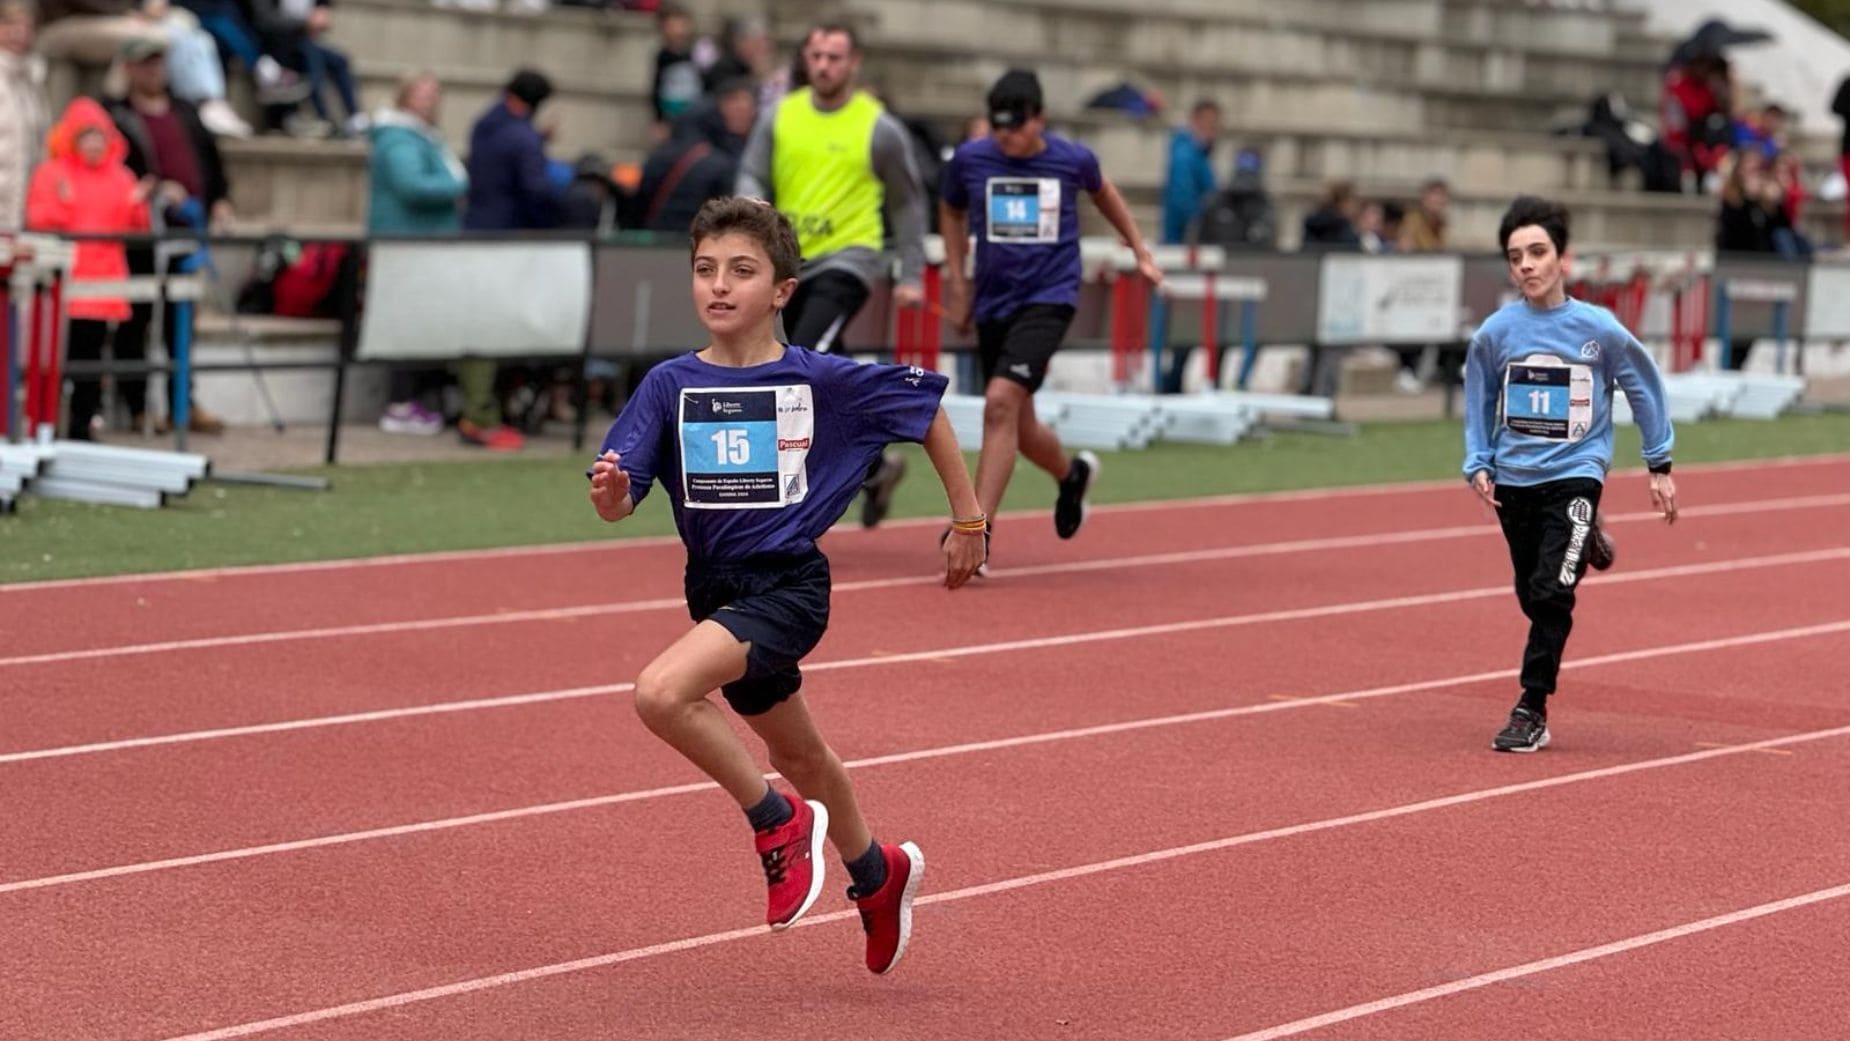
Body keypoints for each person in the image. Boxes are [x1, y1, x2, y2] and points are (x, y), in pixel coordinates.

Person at [588, 197, 985, 974]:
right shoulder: (668, 384)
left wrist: (967, 520)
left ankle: (775, 821)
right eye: (705, 269)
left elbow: (926, 408)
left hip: (788, 588)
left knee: (661, 693)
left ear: (782, 290)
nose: (719, 285)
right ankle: (878, 873)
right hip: (715, 591)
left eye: (742, 270)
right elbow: (621, 490)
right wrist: (611, 494)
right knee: (803, 752)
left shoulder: (820, 379)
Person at [1463, 196, 1678, 754]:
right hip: (1514, 480)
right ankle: (1584, 546)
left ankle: (1530, 707)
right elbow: (1478, 400)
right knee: (1530, 594)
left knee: (1552, 594)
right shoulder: (1495, 333)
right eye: (1516, 257)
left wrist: (1660, 463)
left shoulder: (1598, 329)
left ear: (1564, 259)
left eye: (1538, 252)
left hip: (1577, 474)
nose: (1527, 266)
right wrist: (1478, 462)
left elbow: (1643, 386)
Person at [939, 68, 1163, 552]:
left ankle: (977, 532)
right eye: (998, 127)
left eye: (1016, 127)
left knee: (999, 402)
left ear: (1039, 119)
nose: (1007, 138)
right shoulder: (971, 161)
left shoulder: (1071, 160)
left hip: (1049, 296)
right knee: (1019, 422)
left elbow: (1106, 194)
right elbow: (951, 210)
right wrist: (958, 281)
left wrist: (1139, 251)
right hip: (993, 300)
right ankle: (1072, 474)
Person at [737, 21, 926, 528]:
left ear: (853, 63)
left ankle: (791, 503)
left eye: (834, 57)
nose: (823, 65)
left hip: (850, 259)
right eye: (816, 55)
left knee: (801, 363)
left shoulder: (878, 127)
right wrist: (752, 201)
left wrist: (912, 272)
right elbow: (752, 170)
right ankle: (875, 463)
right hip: (791, 262)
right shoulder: (781, 116)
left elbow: (908, 202)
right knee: (823, 372)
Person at [26, 96, 151, 439]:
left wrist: (139, 207)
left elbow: (134, 228)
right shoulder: (53, 173)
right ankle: (43, 421)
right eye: (87, 137)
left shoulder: (121, 177)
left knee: (90, 356)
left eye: (100, 137)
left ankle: (82, 423)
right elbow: (40, 220)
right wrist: (63, 208)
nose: (95, 145)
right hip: (61, 282)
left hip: (103, 284)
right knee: (51, 355)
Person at [1, 0, 49, 234]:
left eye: (26, 26)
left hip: (23, 215)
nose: (18, 33)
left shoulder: (34, 79)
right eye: (9, 24)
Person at [1160, 97, 1218, 244]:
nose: (1213, 129)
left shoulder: (1198, 153)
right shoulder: (1185, 153)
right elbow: (1181, 195)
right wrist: (1196, 221)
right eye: (1209, 123)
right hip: (1183, 236)